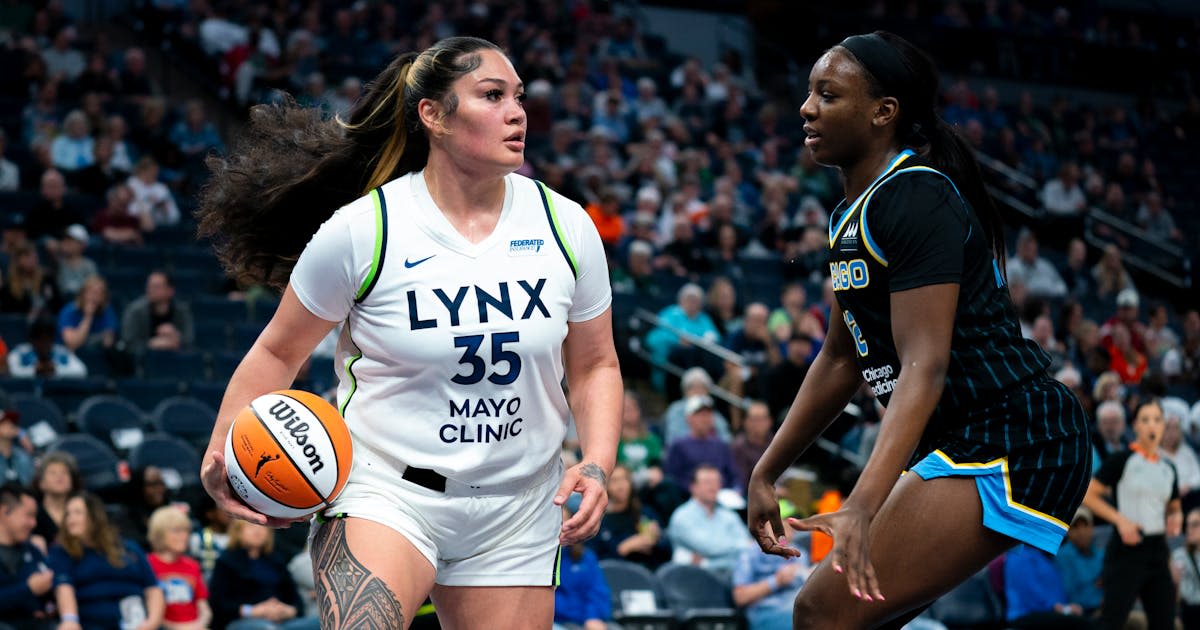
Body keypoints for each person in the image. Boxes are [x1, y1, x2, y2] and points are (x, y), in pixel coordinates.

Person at [196, 36, 621, 630]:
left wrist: (598, 462)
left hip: (520, 504)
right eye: (492, 95)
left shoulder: (566, 225)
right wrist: (220, 454)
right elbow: (277, 350)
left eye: (518, 97)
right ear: (433, 116)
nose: (517, 111)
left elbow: (596, 363)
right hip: (385, 489)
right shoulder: (364, 230)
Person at [746, 31, 1092, 629]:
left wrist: (860, 505)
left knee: (821, 613)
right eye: (809, 93)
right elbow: (839, 358)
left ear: (883, 112)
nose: (806, 108)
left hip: (1012, 433)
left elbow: (923, 366)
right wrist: (766, 468)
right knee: (858, 620)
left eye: (827, 95)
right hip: (962, 436)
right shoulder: (849, 214)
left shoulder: (915, 194)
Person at [1083, 399, 1181, 630]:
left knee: (1165, 622)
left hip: (1158, 549)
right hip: (1127, 550)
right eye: (1145, 420)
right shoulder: (1121, 460)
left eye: (1157, 420)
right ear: (1134, 425)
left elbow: (1174, 506)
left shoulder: (1169, 468)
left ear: (1164, 425)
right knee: (1112, 622)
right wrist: (1121, 520)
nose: (1152, 426)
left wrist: (1176, 517)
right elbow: (1088, 495)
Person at [48, 491, 165, 630]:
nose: (70, 519)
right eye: (67, 514)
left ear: (94, 517)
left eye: (77, 513)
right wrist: (70, 620)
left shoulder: (129, 548)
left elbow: (152, 588)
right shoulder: (62, 552)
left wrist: (152, 621)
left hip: (138, 622)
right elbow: (64, 587)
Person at [206, 520, 316, 630]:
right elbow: (218, 604)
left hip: (281, 620)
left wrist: (288, 610)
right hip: (242, 621)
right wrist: (252, 610)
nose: (258, 530)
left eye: (262, 527)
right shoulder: (226, 562)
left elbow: (295, 599)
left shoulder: (276, 561)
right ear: (238, 531)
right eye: (251, 526)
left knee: (319, 623)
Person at [732, 500, 813, 630]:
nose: (789, 526)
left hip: (799, 610)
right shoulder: (750, 553)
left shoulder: (799, 552)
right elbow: (740, 597)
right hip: (765, 614)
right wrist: (776, 581)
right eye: (783, 521)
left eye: (791, 521)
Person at [667, 465, 752, 580]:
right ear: (693, 487)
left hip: (732, 577)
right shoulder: (682, 516)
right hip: (692, 581)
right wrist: (737, 548)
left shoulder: (729, 515)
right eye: (707, 482)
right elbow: (710, 548)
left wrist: (707, 562)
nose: (713, 486)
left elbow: (748, 547)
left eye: (717, 481)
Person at [588, 464, 670, 569]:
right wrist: (624, 548)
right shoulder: (599, 520)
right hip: (615, 576)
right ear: (605, 486)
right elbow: (593, 560)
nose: (621, 486)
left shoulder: (645, 513)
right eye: (615, 481)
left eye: (625, 479)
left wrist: (658, 538)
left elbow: (668, 552)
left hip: (648, 572)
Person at [146, 505, 212, 630]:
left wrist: (200, 625)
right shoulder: (147, 564)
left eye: (186, 531)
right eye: (177, 530)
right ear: (159, 533)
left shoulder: (192, 565)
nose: (184, 536)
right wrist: (180, 628)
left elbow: (204, 607)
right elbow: (149, 612)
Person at [0, 482, 54, 628]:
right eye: (28, 515)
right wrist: (28, 589)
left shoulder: (32, 550)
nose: (33, 523)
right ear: (5, 511)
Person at [120, 270, 195, 354]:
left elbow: (189, 341)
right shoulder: (134, 310)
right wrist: (150, 344)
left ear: (170, 291)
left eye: (156, 286)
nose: (151, 290)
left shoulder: (182, 311)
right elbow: (128, 343)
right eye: (149, 286)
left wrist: (175, 336)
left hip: (176, 362)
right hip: (141, 362)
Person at [1054, 507, 1104, 618]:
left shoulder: (1100, 552)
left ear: (1092, 527)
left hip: (1105, 609)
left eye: (1085, 525)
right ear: (1068, 532)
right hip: (1081, 614)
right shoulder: (1063, 555)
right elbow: (1070, 594)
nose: (1082, 532)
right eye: (1075, 527)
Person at [1172, 508, 1200, 630]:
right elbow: (1176, 599)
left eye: (1195, 525)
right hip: (1190, 612)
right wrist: (1175, 583)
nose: (1189, 529)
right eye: (1187, 525)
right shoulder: (1179, 555)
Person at [0, 395, 34, 486]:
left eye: (12, 422)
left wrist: (30, 451)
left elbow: (30, 486)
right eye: (4, 423)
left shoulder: (23, 456)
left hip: (21, 498)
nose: (10, 425)